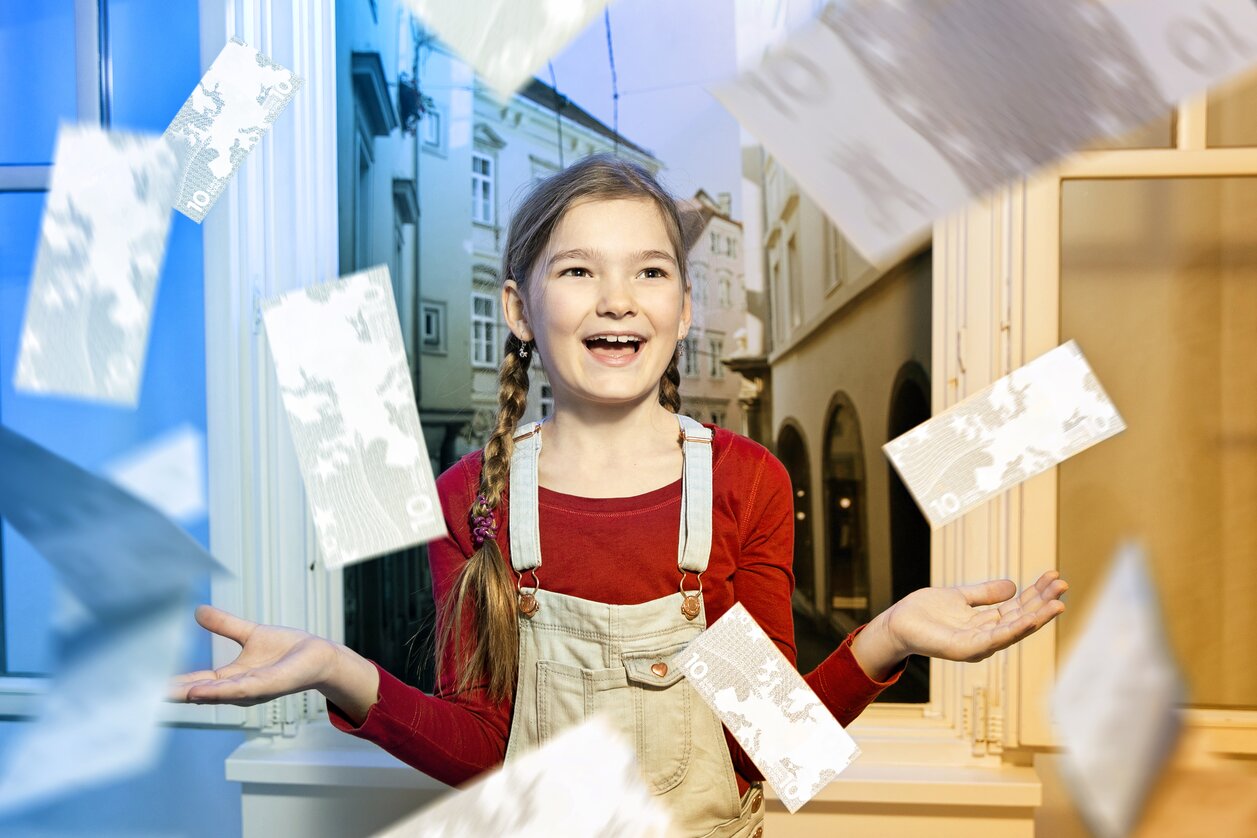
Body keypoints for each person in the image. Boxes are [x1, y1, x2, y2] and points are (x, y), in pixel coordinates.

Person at [171, 154, 1067, 836]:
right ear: (520, 311)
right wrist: (336, 668)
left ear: (681, 306)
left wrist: (888, 637)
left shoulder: (746, 483)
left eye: (649, 271)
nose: (617, 300)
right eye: (576, 271)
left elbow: (763, 746)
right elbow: (487, 749)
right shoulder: (470, 501)